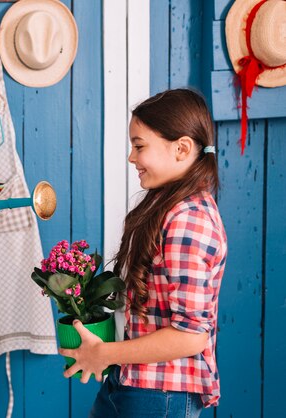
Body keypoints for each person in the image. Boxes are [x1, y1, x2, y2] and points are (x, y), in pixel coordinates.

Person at [59, 89, 227, 418]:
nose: (131, 157)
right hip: (135, 382)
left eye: (139, 146)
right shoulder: (171, 209)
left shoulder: (188, 222)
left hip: (160, 394)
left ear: (181, 149)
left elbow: (191, 336)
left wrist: (104, 353)